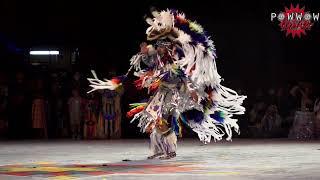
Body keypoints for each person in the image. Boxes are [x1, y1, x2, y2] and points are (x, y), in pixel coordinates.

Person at [87, 9, 246, 159]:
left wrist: (191, 89)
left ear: (168, 46)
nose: (161, 49)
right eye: (159, 46)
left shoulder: (176, 58)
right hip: (161, 93)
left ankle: (170, 150)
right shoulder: (156, 57)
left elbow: (185, 75)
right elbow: (150, 65)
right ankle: (158, 150)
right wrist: (143, 54)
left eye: (163, 46)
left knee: (163, 120)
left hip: (175, 94)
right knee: (154, 120)